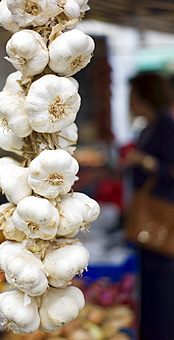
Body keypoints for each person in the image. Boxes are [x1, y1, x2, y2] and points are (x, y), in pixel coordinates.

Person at [123, 71, 174, 340]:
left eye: (131, 95)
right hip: (151, 223)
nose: (128, 102)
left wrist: (144, 161)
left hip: (162, 221)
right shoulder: (149, 127)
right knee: (152, 289)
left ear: (144, 96)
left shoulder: (166, 126)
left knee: (162, 291)